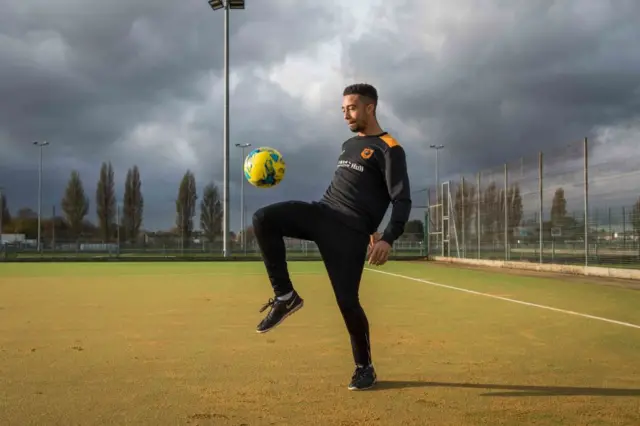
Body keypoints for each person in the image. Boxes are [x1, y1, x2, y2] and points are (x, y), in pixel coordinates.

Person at [252, 83, 412, 391]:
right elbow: (353, 189)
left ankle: (364, 368)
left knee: (347, 302)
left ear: (370, 107)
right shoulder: (348, 145)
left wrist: (386, 237)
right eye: (343, 109)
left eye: (351, 108)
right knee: (264, 219)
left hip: (350, 234)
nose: (346, 114)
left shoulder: (389, 149)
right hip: (323, 213)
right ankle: (285, 297)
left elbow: (401, 199)